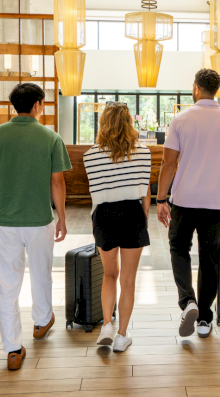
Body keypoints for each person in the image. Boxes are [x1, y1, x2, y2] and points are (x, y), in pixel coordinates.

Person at [0, 83, 71, 370]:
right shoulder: (50, 137)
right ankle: (42, 322)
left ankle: (13, 350)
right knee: (41, 274)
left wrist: (3, 198)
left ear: (13, 105)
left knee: (7, 285)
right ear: (38, 105)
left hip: (4, 221)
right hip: (39, 219)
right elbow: (57, 182)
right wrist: (62, 216)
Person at [157, 69, 220, 339]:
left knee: (179, 247)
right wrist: (219, 185)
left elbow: (168, 162)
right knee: (210, 257)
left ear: (195, 88)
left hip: (184, 199)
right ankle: (205, 319)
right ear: (216, 89)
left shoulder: (181, 119)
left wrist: (161, 199)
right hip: (216, 201)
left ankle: (188, 302)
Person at [83, 102, 151, 352]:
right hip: (132, 213)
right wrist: (142, 219)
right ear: (129, 123)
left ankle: (107, 326)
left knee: (109, 274)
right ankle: (122, 336)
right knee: (129, 279)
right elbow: (145, 192)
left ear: (103, 123)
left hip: (103, 215)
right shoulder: (143, 152)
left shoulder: (90, 155)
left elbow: (96, 193)